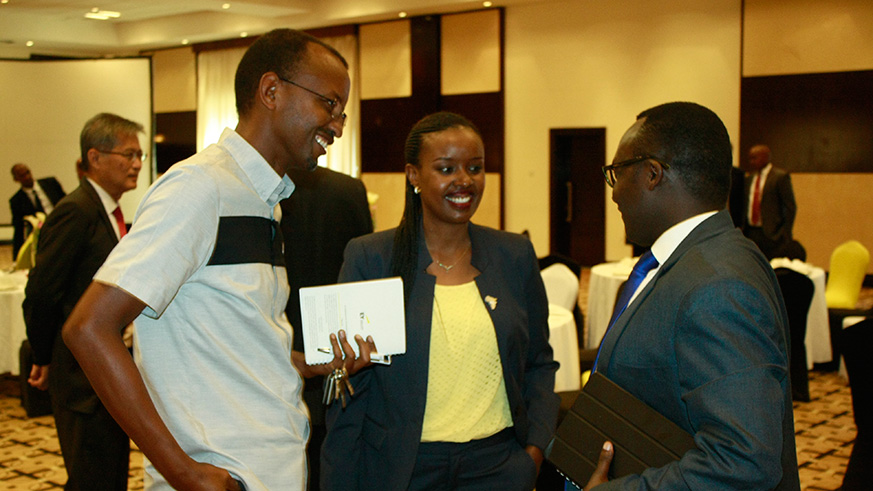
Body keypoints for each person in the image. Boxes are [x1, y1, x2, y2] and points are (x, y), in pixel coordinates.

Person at [60, 29, 374, 491]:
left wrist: (303, 363)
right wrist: (181, 471)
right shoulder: (200, 188)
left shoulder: (263, 200)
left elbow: (227, 341)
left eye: (341, 111)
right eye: (329, 104)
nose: (338, 125)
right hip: (224, 474)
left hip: (270, 469)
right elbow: (89, 328)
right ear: (271, 91)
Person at [321, 111, 560, 490]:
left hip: (498, 467)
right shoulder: (372, 257)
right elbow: (349, 385)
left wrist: (533, 452)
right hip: (402, 470)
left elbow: (539, 363)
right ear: (413, 175)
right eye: (446, 169)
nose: (464, 180)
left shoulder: (514, 254)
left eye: (475, 167)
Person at [584, 102, 799, 490]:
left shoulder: (719, 286)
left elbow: (743, 460)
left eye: (617, 173)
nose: (614, 194)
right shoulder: (693, 259)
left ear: (652, 174)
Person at [23, 112, 144, 490]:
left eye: (139, 155)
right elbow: (42, 293)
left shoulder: (106, 210)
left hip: (104, 373)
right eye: (128, 155)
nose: (137, 164)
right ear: (95, 157)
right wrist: (43, 356)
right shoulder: (76, 210)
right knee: (93, 478)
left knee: (109, 474)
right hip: (81, 379)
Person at [280, 165, 373, 490]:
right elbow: (364, 275)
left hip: (282, 357)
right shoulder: (349, 190)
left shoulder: (264, 190)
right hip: (341, 356)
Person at [742, 144, 797, 260]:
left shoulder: (780, 177)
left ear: (765, 157)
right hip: (751, 232)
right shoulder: (750, 178)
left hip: (772, 234)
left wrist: (784, 233)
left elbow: (790, 206)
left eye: (755, 158)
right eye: (750, 158)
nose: (752, 162)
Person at [9, 163, 66, 259]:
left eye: (27, 173)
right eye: (22, 176)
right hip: (41, 234)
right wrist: (17, 257)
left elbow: (66, 202)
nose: (27, 177)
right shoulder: (17, 200)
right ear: (16, 179)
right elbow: (18, 229)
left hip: (61, 224)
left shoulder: (51, 183)